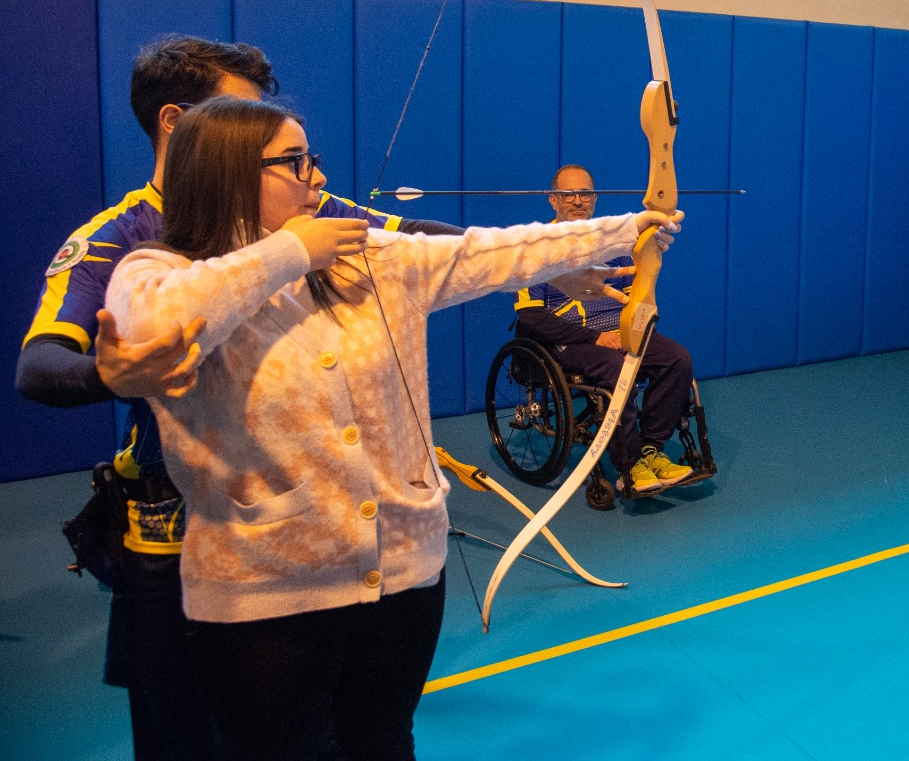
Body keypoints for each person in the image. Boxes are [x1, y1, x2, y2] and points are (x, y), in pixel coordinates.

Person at [104, 97, 679, 761]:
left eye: (313, 158)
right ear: (230, 172)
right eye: (294, 162)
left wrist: (633, 227)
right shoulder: (156, 270)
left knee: (382, 741)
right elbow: (150, 329)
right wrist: (289, 252)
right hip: (263, 597)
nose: (317, 176)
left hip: (403, 577)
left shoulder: (370, 256)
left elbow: (492, 254)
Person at [14, 35, 458, 761]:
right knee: (187, 736)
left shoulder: (305, 212)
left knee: (351, 730)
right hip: (180, 523)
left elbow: (426, 245)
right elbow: (39, 367)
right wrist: (111, 375)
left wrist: (552, 261)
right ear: (177, 123)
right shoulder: (120, 238)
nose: (277, 142)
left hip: (303, 524)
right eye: (243, 116)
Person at [513, 163, 698, 495]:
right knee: (614, 367)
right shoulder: (536, 247)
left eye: (584, 193)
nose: (577, 201)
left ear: (594, 199)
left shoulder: (612, 245)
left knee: (676, 358)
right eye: (568, 194)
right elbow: (531, 317)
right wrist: (595, 337)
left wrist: (637, 328)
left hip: (618, 334)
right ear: (552, 200)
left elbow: (633, 299)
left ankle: (650, 448)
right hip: (569, 342)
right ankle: (628, 466)